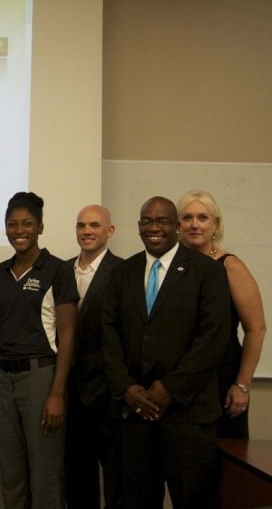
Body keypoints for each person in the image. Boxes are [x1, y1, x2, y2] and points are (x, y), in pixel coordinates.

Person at [102, 196, 230, 508]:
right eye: (146, 221)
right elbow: (108, 333)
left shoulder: (207, 271)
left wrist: (170, 388)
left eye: (162, 221)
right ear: (138, 227)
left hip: (188, 415)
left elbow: (213, 338)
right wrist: (126, 387)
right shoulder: (122, 272)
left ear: (176, 227)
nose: (153, 228)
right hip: (134, 414)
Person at [0, 191, 78, 509]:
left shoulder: (57, 270)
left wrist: (57, 394)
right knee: (11, 474)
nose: (19, 230)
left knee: (45, 473)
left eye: (27, 224)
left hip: (40, 378)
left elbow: (67, 335)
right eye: (12, 224)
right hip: (2, 379)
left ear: (40, 227)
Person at [177, 190, 266, 439]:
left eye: (202, 217)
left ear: (215, 224)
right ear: (178, 224)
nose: (194, 224)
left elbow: (256, 329)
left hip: (222, 379)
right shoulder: (170, 267)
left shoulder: (230, 266)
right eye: (187, 217)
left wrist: (242, 385)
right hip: (180, 381)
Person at [64, 204, 123, 508]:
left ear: (110, 231)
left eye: (94, 225)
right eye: (81, 225)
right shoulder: (61, 271)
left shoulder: (124, 271)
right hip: (69, 391)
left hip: (108, 392)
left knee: (116, 477)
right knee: (77, 475)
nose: (87, 231)